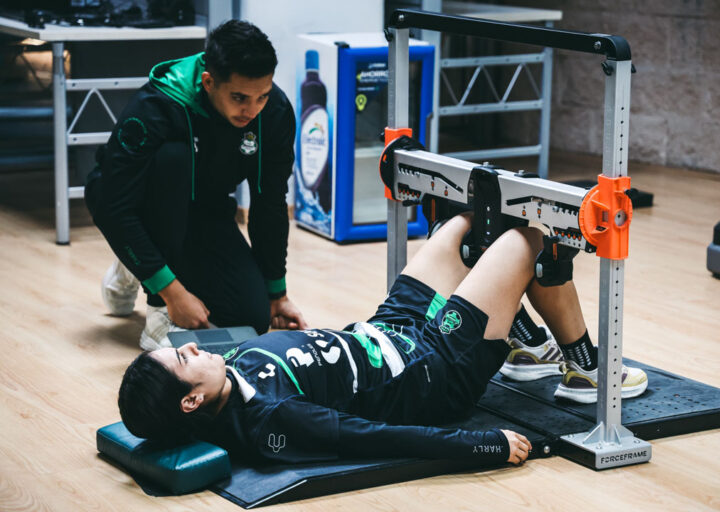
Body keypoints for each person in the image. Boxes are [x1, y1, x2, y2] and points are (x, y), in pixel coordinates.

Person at [117, 215, 649, 465]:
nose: (190, 345)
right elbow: (372, 438)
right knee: (527, 237)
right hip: (435, 367)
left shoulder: (225, 374)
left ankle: (526, 344)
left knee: (466, 227)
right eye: (182, 359)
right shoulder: (269, 422)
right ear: (192, 399)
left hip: (389, 326)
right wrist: (479, 446)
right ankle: (585, 369)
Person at [85, 20, 307, 351]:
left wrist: (277, 293)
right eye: (239, 97)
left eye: (262, 95)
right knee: (172, 158)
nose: (252, 110)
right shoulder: (155, 107)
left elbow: (270, 201)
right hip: (137, 204)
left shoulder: (273, 111)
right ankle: (155, 303)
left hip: (205, 211)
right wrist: (171, 294)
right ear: (208, 82)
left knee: (251, 318)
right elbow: (112, 203)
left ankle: (138, 264)